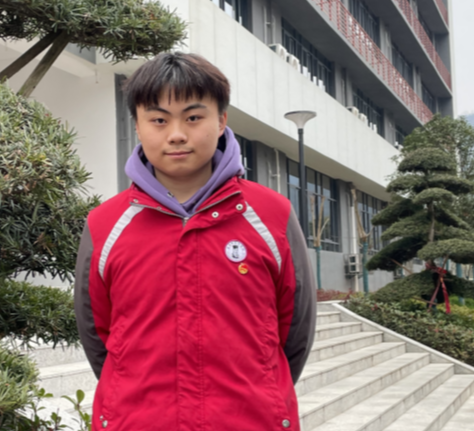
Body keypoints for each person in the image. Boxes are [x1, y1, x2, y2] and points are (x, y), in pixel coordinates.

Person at [75, 52, 317, 431]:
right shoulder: (105, 224)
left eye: (193, 117)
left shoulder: (272, 214)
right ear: (137, 125)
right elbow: (98, 335)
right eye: (158, 119)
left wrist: (264, 392)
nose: (176, 134)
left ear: (221, 121)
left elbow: (294, 331)